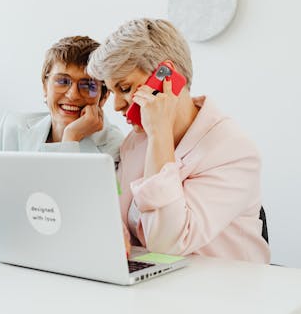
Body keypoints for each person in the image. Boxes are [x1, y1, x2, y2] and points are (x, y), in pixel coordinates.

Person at [87, 18, 271, 263]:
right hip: (160, 284)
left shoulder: (233, 151)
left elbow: (168, 244)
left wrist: (160, 134)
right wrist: (115, 228)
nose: (118, 105)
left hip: (226, 290)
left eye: (125, 88)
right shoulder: (135, 141)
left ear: (166, 78)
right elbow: (120, 212)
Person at [0, 36, 124, 163]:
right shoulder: (13, 126)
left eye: (87, 85)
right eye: (63, 81)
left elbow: (65, 187)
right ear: (45, 87)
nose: (73, 95)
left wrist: (71, 137)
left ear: (104, 97)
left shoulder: (114, 146)